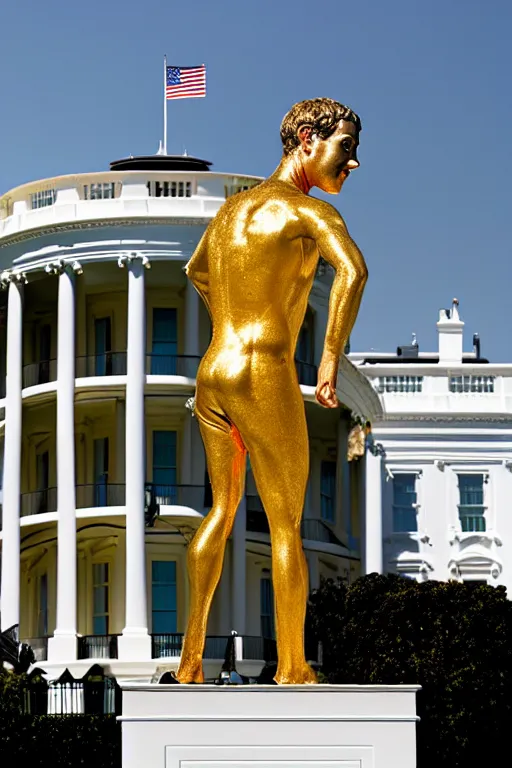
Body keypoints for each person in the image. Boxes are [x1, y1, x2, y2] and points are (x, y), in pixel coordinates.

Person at [177, 98, 368, 684]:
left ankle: (188, 665)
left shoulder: (232, 212)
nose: (353, 163)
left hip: (214, 371)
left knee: (222, 509)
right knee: (286, 524)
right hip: (263, 371)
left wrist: (238, 322)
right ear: (307, 140)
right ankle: (292, 666)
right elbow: (354, 271)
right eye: (346, 147)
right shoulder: (307, 214)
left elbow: (197, 272)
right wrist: (328, 358)